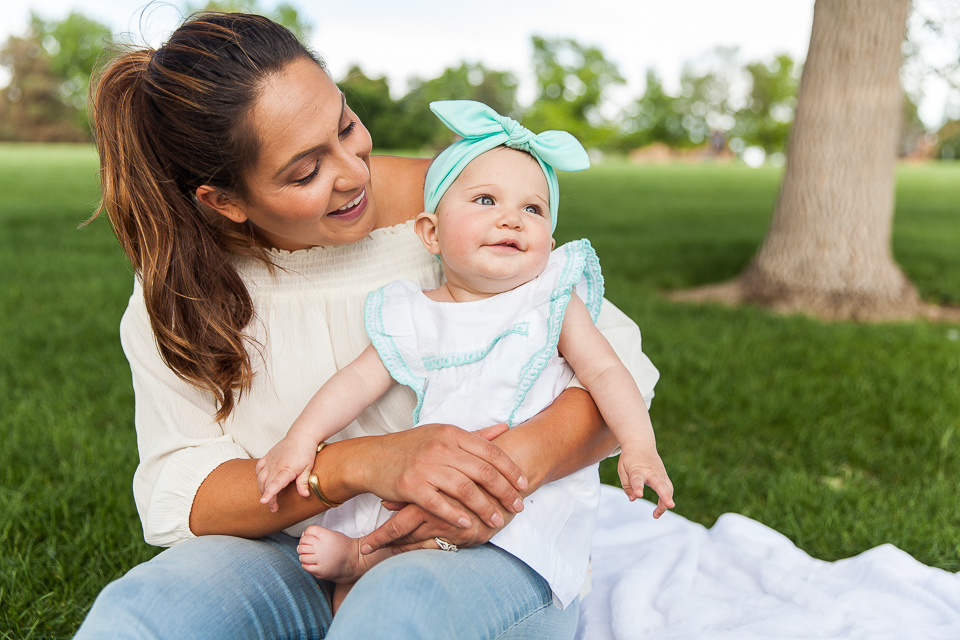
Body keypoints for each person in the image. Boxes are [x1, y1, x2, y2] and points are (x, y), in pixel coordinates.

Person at [75, 12, 661, 639]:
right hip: (289, 548)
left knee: (395, 618)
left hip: (477, 547)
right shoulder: (180, 289)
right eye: (305, 172)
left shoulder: (457, 207)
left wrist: (490, 480)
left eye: (346, 125)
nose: (354, 172)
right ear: (225, 201)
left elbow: (610, 370)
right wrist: (357, 465)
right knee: (142, 616)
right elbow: (185, 487)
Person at [255, 100, 674, 612]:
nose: (511, 220)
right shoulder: (413, 313)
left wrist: (638, 445)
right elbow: (354, 382)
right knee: (372, 578)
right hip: (430, 482)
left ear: (549, 239)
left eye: (533, 209)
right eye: (484, 200)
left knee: (428, 566)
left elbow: (607, 371)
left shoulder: (550, 303)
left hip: (525, 505)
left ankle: (365, 559)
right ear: (431, 232)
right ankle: (362, 563)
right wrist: (302, 439)